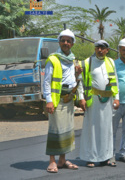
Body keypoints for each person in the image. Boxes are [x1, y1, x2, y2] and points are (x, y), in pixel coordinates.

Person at [44, 29, 82, 173]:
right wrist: (49, 101)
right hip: (56, 100)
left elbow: (70, 79)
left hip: (69, 99)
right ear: (59, 42)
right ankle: (52, 161)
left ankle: (62, 160)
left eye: (69, 41)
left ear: (72, 43)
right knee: (55, 130)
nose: (66, 43)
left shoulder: (72, 60)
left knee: (67, 130)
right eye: (63, 40)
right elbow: (47, 82)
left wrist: (77, 74)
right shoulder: (53, 59)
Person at [79, 40, 119, 168]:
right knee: (92, 129)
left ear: (107, 50)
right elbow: (80, 82)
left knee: (106, 129)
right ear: (95, 49)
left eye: (103, 48)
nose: (100, 50)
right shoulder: (87, 62)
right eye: (98, 48)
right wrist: (81, 98)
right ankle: (90, 157)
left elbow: (115, 81)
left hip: (107, 100)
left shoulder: (111, 62)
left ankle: (105, 157)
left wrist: (117, 98)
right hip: (93, 100)